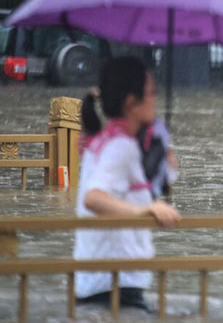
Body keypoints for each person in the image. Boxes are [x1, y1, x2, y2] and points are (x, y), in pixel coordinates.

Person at [74, 57, 181, 312]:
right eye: (151, 92)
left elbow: (154, 182)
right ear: (132, 103)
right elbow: (94, 198)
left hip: (105, 280)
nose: (155, 98)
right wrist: (144, 211)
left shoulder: (106, 139)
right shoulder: (120, 147)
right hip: (113, 286)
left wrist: (163, 149)